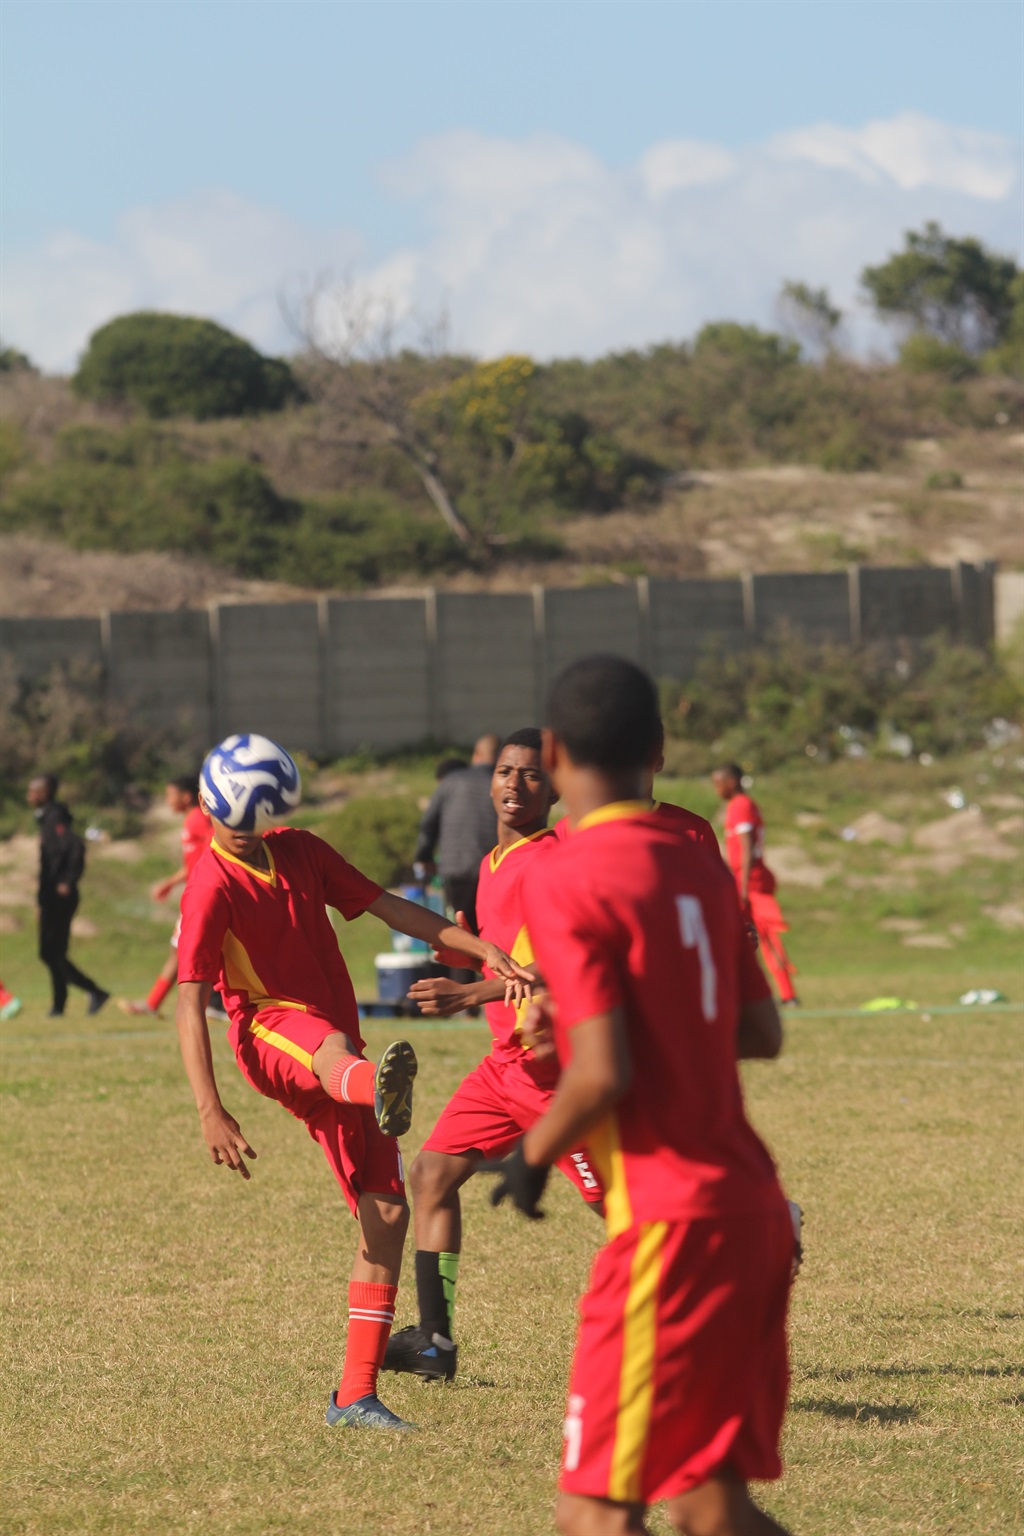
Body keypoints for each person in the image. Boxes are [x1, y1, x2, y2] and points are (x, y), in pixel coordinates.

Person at [488, 656, 794, 1536]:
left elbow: (604, 1074)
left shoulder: (562, 873)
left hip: (667, 1226)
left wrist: (532, 1157)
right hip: (753, 1212)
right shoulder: (697, 862)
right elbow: (761, 1033)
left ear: (550, 753)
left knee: (594, 1512)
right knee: (712, 1507)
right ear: (658, 749)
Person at [175, 733, 532, 1431]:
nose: (241, 837)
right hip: (272, 1033)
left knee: (387, 1212)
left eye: (252, 825)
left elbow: (388, 906)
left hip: (344, 1058)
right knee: (331, 1045)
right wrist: (208, 1109)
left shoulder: (303, 850)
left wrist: (475, 946)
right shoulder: (210, 883)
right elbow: (190, 1001)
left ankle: (353, 1395)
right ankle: (377, 1087)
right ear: (205, 808)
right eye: (229, 825)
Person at [384, 729, 603, 1384]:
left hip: (553, 1071)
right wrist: (462, 951)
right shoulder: (490, 864)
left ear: (556, 788)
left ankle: (717, 1318)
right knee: (430, 1175)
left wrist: (470, 990)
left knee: (623, 1211)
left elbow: (576, 956)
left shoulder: (561, 856)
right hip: (502, 1067)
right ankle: (435, 1341)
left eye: (532, 775)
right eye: (506, 771)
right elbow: (506, 946)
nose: (515, 784)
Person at [120, 774, 215, 1018]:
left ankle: (214, 1002)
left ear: (185, 797)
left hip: (203, 896)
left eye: (169, 795)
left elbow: (212, 852)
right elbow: (193, 863)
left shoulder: (197, 820)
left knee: (185, 950)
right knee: (181, 949)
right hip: (197, 893)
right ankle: (154, 1004)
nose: (166, 800)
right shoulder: (190, 820)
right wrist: (170, 884)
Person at [712, 764, 799, 1007]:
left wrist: (741, 889)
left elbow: (747, 851)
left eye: (717, 783)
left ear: (731, 782)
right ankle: (741, 991)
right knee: (739, 937)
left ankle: (788, 994)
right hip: (748, 879)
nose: (715, 789)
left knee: (767, 936)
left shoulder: (740, 806)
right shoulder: (742, 805)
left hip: (751, 881)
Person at [27, 774, 109, 1018]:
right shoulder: (47, 818)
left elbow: (75, 847)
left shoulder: (55, 818)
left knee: (50, 952)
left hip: (59, 896)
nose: (29, 796)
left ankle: (94, 991)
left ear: (43, 793)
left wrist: (67, 882)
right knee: (53, 952)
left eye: (32, 792)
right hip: (49, 896)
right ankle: (59, 1005)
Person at [413, 733, 501, 934]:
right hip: (492, 870)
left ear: (476, 754)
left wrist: (424, 856)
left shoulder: (451, 782)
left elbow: (429, 823)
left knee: (460, 933)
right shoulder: (500, 783)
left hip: (456, 870)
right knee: (491, 933)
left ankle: (461, 965)